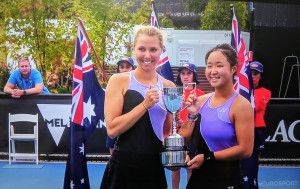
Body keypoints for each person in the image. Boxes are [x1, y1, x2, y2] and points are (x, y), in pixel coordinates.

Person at [100, 25, 174, 189]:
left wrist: (191, 116)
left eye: (153, 49)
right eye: (142, 49)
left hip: (154, 170)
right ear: (134, 49)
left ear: (161, 50)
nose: (147, 55)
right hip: (123, 168)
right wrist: (144, 105)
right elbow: (112, 129)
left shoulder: (169, 86)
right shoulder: (118, 80)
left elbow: (167, 132)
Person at [179, 43, 254, 188]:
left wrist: (207, 157)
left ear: (233, 69)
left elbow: (245, 150)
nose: (213, 71)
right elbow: (186, 136)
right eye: (209, 66)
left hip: (227, 180)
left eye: (219, 65)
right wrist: (192, 116)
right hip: (198, 179)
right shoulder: (200, 101)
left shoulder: (241, 105)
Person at [172, 63, 205, 189]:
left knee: (190, 166)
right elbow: (171, 114)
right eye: (183, 73)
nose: (185, 76)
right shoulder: (174, 93)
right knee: (175, 167)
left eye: (189, 73)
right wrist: (177, 121)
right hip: (178, 133)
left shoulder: (201, 93)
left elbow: (202, 116)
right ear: (179, 76)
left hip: (193, 136)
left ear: (194, 75)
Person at [241, 61, 271, 189]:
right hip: (243, 129)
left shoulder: (265, 92)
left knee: (253, 163)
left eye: (256, 73)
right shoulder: (242, 91)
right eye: (250, 73)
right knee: (242, 162)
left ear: (260, 76)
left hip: (257, 130)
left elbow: (255, 107)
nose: (252, 76)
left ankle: (253, 185)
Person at [106, 56, 135, 155]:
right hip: (116, 127)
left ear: (132, 68)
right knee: (113, 158)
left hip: (131, 128)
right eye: (122, 67)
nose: (124, 69)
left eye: (127, 67)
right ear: (118, 69)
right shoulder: (112, 84)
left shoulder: (137, 85)